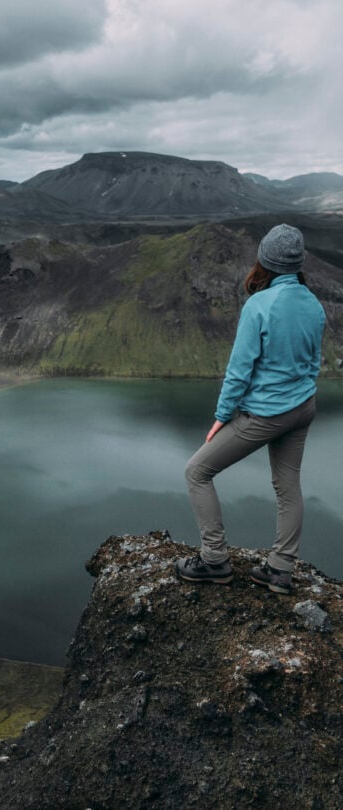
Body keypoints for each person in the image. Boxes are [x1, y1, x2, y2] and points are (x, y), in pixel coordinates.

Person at [175, 223, 326, 594]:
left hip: (265, 414)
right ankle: (280, 570)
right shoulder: (313, 303)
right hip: (303, 406)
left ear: (266, 261)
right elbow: (311, 363)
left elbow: (239, 372)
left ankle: (214, 561)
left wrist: (222, 417)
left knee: (197, 472)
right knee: (288, 487)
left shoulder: (259, 305)